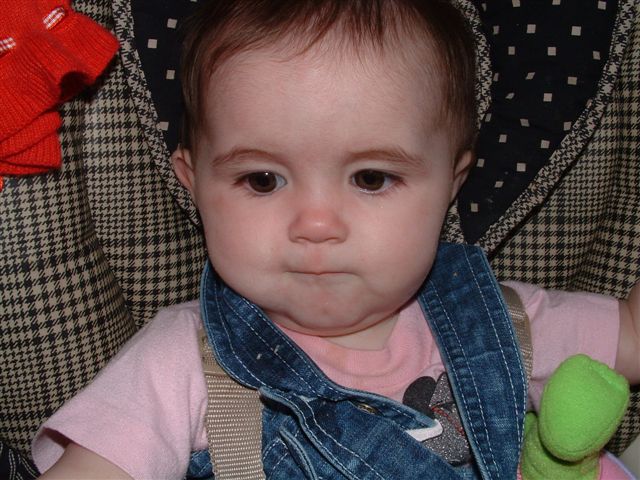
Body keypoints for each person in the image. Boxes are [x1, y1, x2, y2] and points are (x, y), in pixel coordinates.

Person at [32, 0, 640, 478]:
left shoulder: (500, 322)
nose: (317, 224)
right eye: (262, 180)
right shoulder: (180, 364)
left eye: (371, 178)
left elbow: (630, 339)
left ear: (451, 183)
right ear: (194, 184)